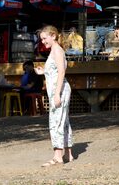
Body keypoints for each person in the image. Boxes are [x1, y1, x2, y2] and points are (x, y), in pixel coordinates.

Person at [34, 25, 74, 167]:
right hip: (59, 90)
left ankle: (58, 156)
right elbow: (56, 70)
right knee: (64, 121)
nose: (43, 41)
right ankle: (68, 154)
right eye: (42, 39)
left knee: (56, 121)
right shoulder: (54, 51)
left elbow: (62, 72)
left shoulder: (57, 50)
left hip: (60, 90)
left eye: (45, 38)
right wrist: (43, 71)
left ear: (53, 36)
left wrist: (57, 94)